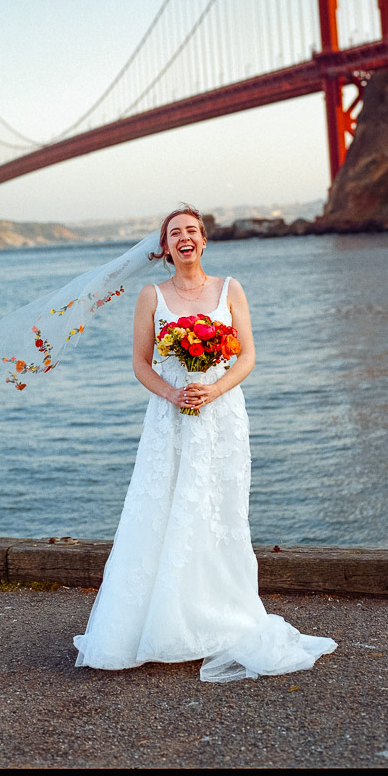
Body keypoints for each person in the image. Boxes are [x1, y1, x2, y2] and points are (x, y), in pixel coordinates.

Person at [72, 205, 337, 682]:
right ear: (165, 247)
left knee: (219, 510)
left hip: (221, 416)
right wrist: (172, 393)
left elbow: (248, 355)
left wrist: (214, 389)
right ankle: (163, 624)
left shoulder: (230, 289)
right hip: (169, 418)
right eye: (175, 233)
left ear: (204, 240)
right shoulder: (151, 295)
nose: (185, 238)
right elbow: (140, 363)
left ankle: (217, 614)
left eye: (192, 230)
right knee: (164, 508)